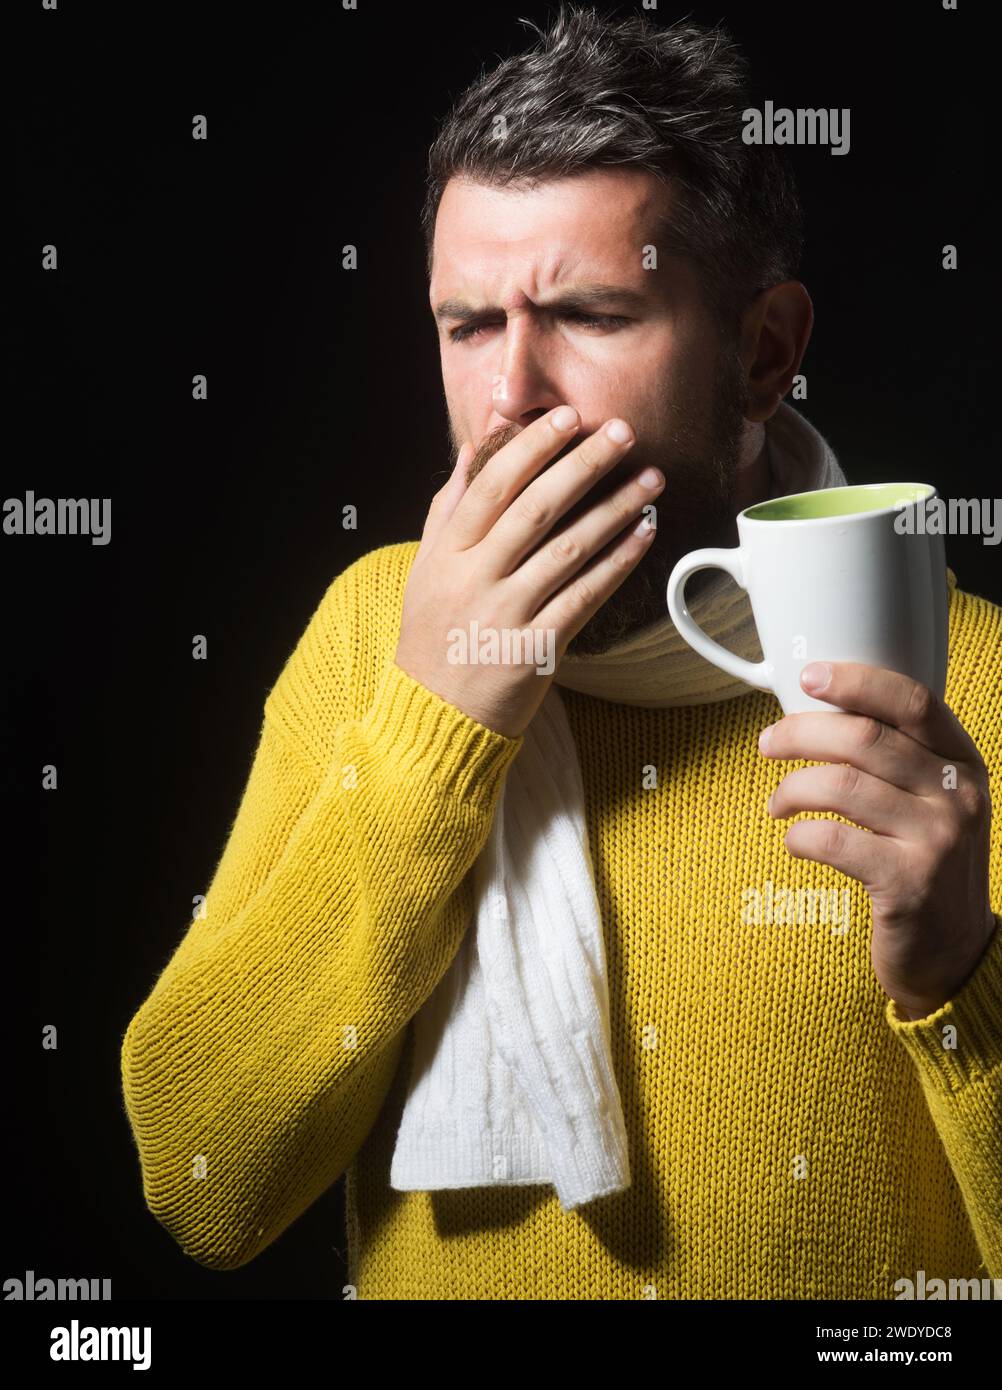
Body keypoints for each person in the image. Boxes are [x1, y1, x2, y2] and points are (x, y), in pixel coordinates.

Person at [120, 5, 1001, 1299]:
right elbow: (203, 1182)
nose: (509, 397)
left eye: (587, 313)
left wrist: (958, 976)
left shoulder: (960, 686)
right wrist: (433, 725)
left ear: (762, 352)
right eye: (468, 324)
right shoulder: (377, 632)